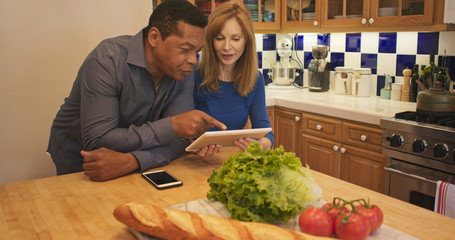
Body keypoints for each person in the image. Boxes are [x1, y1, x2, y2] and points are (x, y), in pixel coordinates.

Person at [47, 0, 226, 181]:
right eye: (185, 49)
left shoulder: (183, 70)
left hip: (131, 158)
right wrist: (172, 126)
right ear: (154, 37)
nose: (193, 60)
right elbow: (98, 139)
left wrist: (133, 161)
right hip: (80, 157)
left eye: (197, 51)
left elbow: (179, 141)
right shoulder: (106, 60)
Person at [193, 2, 274, 157]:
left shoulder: (254, 79)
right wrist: (196, 143)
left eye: (235, 39)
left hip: (229, 161)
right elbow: (183, 133)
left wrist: (260, 144)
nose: (227, 46)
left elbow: (267, 132)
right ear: (210, 41)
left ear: (246, 41)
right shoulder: (194, 76)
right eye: (219, 38)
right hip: (196, 162)